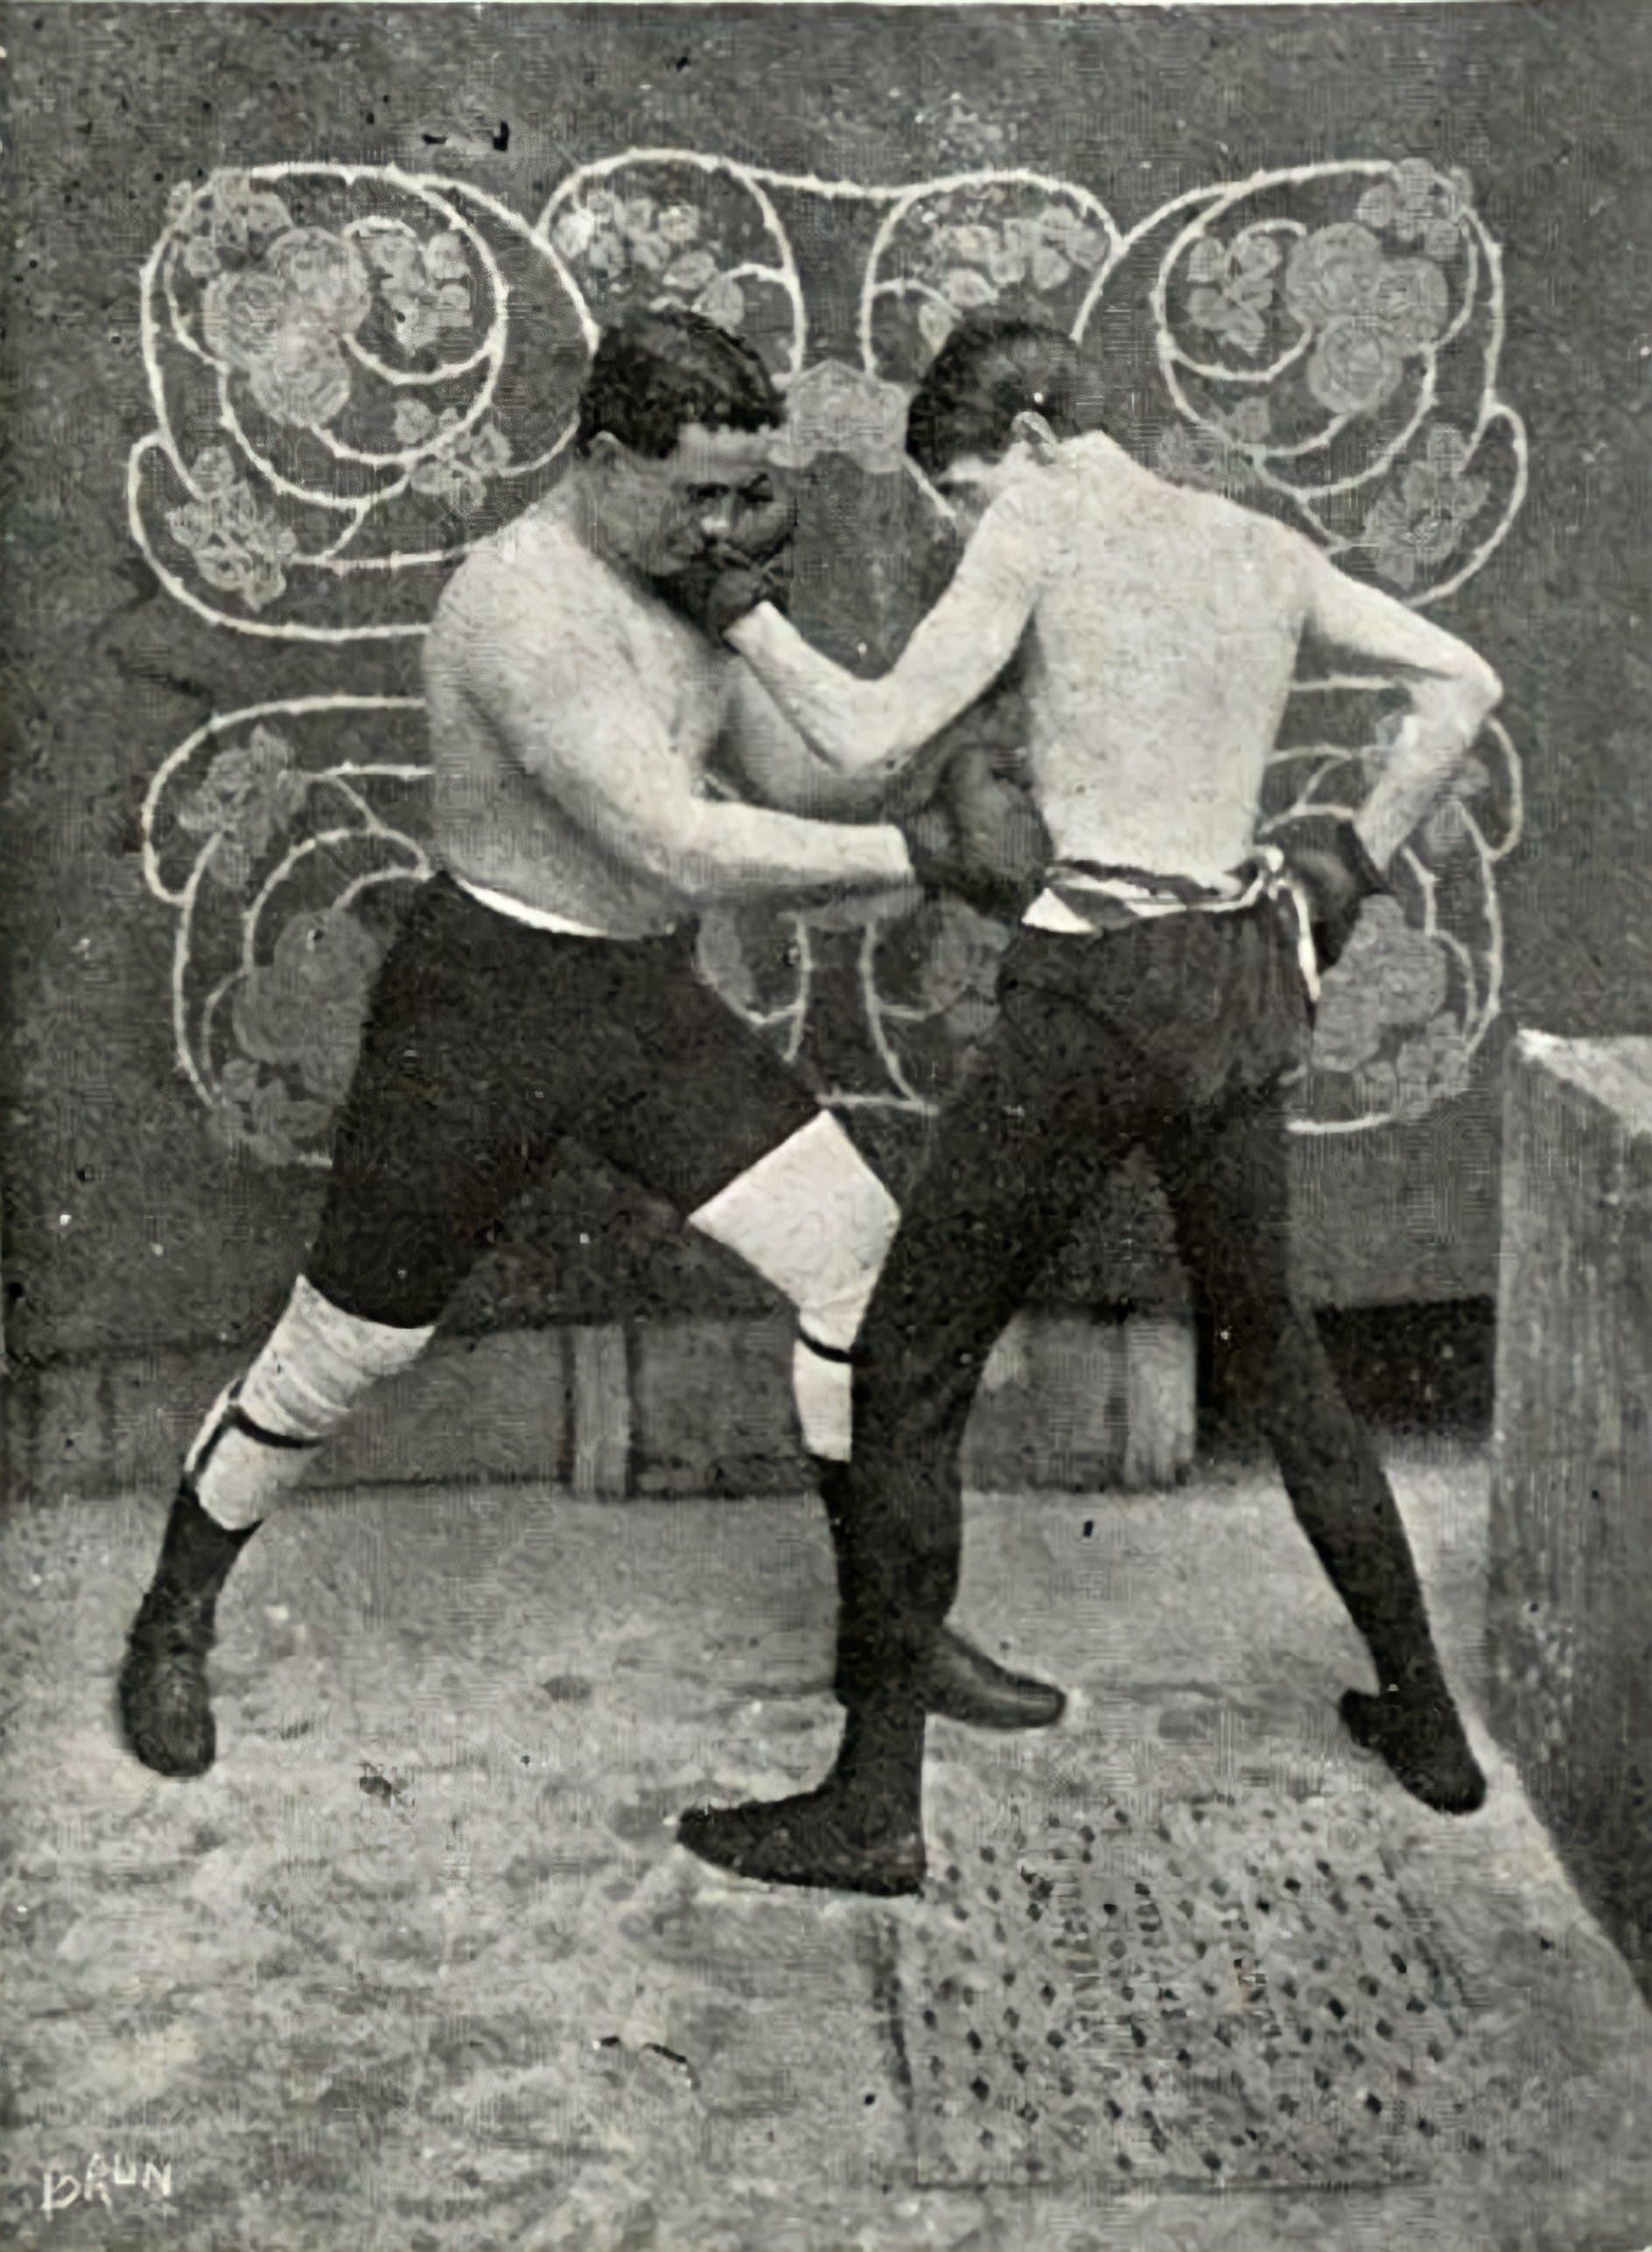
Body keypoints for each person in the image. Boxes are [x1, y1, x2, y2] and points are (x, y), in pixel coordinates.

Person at [117, 307, 1054, 1781]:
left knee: (858, 1262)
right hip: (485, 1001)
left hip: (634, 1000)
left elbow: (797, 779)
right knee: (350, 1342)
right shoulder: (518, 603)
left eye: (745, 494)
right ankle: (173, 1617)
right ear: (606, 456)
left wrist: (954, 754)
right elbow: (674, 841)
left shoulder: (685, 584)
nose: (726, 527)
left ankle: (891, 1631)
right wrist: (929, 853)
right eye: (696, 494)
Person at [677, 312, 1504, 1897]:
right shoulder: (1257, 541)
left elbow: (865, 736)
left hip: (1101, 988)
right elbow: (1462, 681)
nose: (964, 531)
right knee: (1277, 1350)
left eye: (963, 496)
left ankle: (872, 1806)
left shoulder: (1043, 518)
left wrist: (742, 611)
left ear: (1035, 441)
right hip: (1235, 978)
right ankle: (1429, 1724)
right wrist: (1354, 856)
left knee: (908, 1361)